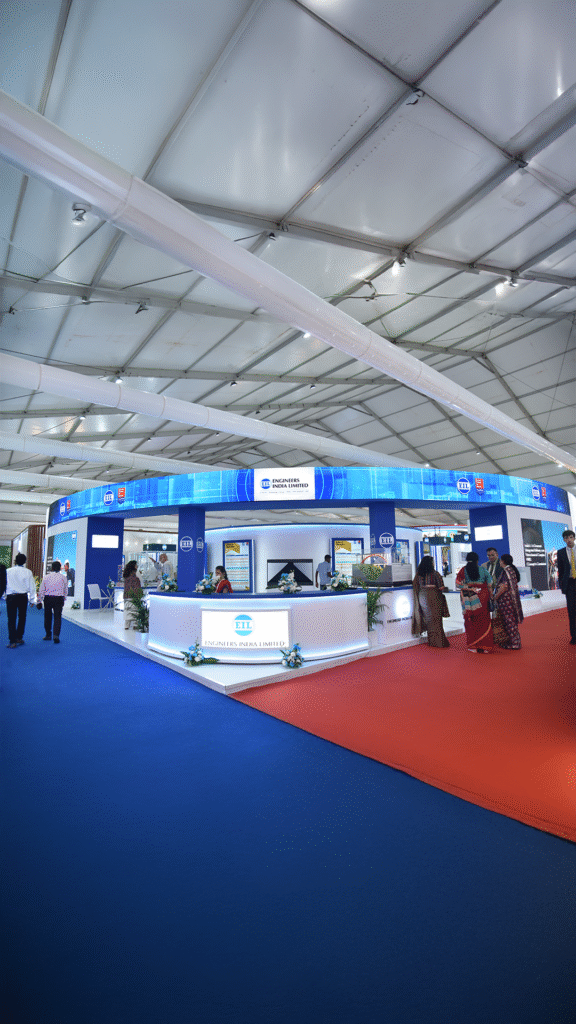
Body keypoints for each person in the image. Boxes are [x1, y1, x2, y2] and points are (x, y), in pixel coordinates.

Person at [455, 551, 494, 653]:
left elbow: (458, 584)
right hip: (483, 597)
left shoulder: (463, 570)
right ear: (477, 560)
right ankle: (485, 646)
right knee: (484, 621)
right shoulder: (483, 570)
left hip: (468, 599)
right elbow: (490, 584)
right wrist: (492, 596)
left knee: (470, 620)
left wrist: (469, 587)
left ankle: (473, 646)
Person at [411, 555, 450, 648]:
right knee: (436, 619)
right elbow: (441, 587)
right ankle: (439, 642)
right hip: (434, 596)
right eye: (432, 562)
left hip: (422, 596)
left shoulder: (418, 574)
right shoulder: (435, 573)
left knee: (429, 619)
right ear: (430, 563)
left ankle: (432, 641)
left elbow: (415, 585)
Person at [5, 553, 37, 648]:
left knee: (11, 619)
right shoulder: (28, 572)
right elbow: (32, 587)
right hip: (23, 597)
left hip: (11, 597)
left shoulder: (8, 571)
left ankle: (12, 641)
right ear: (25, 561)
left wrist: (4, 596)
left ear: (15, 560)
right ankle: (19, 637)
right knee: (22, 617)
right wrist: (32, 600)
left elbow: (3, 584)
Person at [492, 554, 523, 650]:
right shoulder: (512, 570)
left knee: (509, 621)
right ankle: (516, 641)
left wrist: (495, 597)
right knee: (512, 621)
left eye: (500, 560)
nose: (499, 562)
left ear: (503, 561)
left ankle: (514, 643)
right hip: (512, 600)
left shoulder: (506, 571)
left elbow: (504, 586)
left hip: (506, 601)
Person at [38, 560, 68, 644]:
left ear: (52, 568)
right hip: (59, 598)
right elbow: (66, 590)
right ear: (60, 568)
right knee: (57, 617)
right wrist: (64, 599)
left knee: (47, 617)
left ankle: (48, 635)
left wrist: (39, 601)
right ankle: (56, 635)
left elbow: (41, 590)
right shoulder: (63, 577)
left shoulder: (46, 577)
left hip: (48, 598)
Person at [557, 528, 576, 645]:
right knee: (572, 611)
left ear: (574, 538)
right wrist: (562, 585)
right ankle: (574, 636)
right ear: (564, 540)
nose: (568, 540)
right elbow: (561, 570)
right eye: (566, 538)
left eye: (570, 537)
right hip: (570, 584)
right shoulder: (561, 552)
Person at [123, 560, 142, 629]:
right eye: (136, 565)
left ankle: (126, 625)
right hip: (134, 595)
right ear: (134, 566)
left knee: (127, 610)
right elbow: (140, 585)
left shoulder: (126, 575)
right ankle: (135, 625)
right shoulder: (136, 575)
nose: (137, 566)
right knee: (135, 610)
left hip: (127, 595)